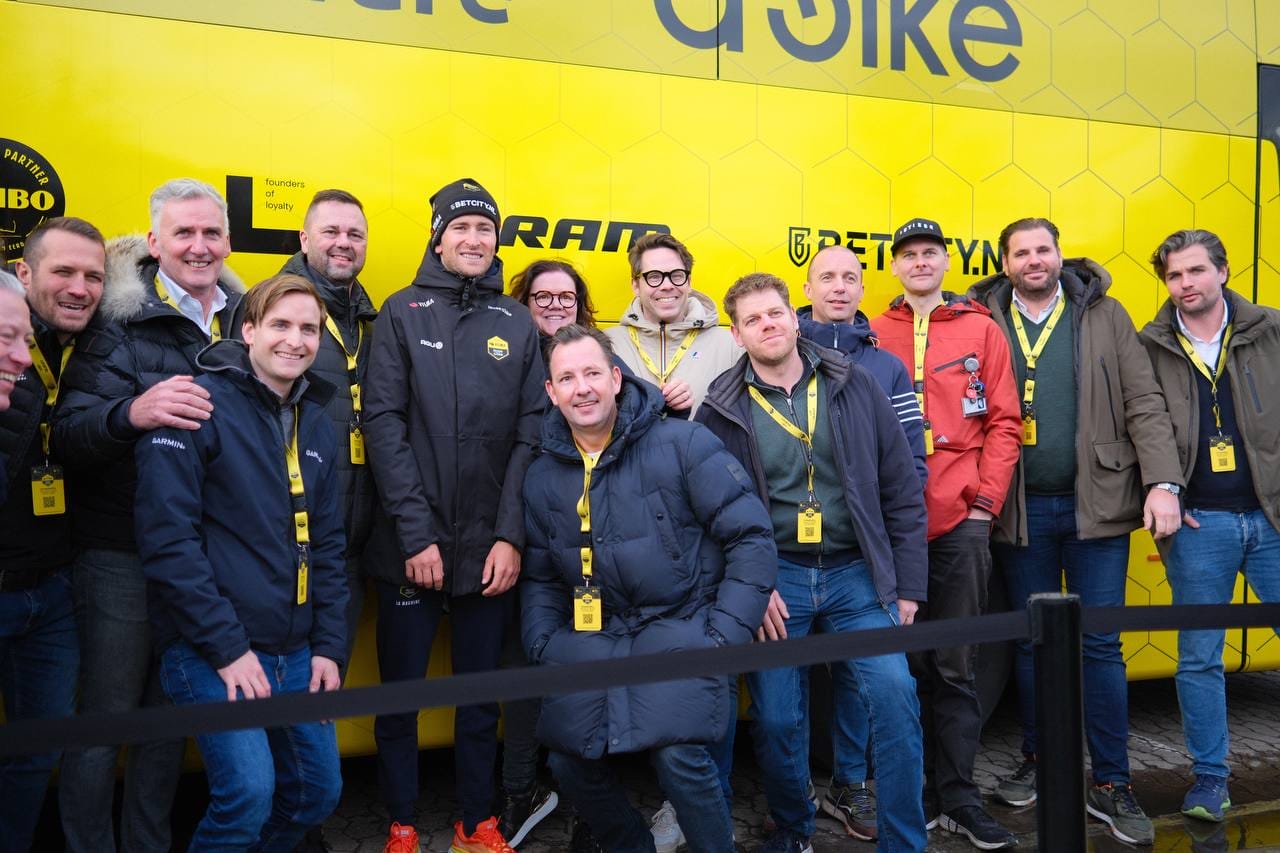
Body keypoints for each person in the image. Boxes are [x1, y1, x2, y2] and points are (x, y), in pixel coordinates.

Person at [696, 273, 927, 853]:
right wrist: (750, 586)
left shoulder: (855, 383)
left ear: (794, 318)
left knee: (895, 696)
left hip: (858, 574)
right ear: (737, 334)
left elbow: (902, 486)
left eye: (775, 313)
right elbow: (706, 517)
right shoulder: (719, 408)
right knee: (777, 720)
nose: (767, 325)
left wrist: (907, 586)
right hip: (777, 579)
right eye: (752, 319)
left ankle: (905, 843)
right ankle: (794, 828)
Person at [522, 323, 775, 853]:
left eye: (593, 373)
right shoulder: (543, 474)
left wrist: (722, 635)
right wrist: (543, 642)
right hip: (592, 638)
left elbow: (750, 537)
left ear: (616, 379)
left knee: (679, 755)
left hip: (680, 627)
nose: (582, 388)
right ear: (551, 392)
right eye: (567, 378)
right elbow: (542, 575)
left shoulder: (682, 443)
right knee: (567, 760)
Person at [971, 217, 1183, 846]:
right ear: (1004, 263)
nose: (1034, 260)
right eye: (1021, 253)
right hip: (1021, 509)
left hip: (1099, 506)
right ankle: (1040, 762)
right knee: (1034, 645)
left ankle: (1112, 782)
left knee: (1100, 646)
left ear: (1060, 255)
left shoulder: (1105, 314)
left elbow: (1143, 401)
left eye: (1044, 249)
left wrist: (1163, 482)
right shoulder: (984, 319)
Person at [53, 178, 244, 853]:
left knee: (167, 726)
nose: (199, 246)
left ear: (228, 241)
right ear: (155, 242)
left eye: (211, 232)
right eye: (183, 233)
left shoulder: (245, 320)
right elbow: (67, 436)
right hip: (121, 556)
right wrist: (130, 413)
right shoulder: (117, 320)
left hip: (203, 558)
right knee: (105, 723)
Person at [363, 178, 545, 853]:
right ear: (437, 239)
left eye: (485, 229)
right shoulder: (400, 311)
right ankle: (402, 822)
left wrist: (510, 537)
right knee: (399, 698)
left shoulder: (516, 321)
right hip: (409, 548)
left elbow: (531, 434)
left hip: (489, 551)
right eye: (460, 228)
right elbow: (382, 426)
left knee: (479, 698)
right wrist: (415, 536)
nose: (474, 239)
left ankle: (476, 822)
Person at [135, 273, 347, 850]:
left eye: (309, 329)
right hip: (213, 648)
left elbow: (329, 544)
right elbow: (169, 543)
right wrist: (227, 648)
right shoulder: (196, 405)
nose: (295, 341)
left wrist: (329, 647)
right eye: (280, 325)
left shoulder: (316, 419)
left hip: (297, 649)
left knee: (317, 793)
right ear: (248, 330)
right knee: (248, 796)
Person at [871, 217, 1022, 850]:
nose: (920, 262)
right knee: (901, 671)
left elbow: (1005, 422)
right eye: (909, 254)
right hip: (891, 528)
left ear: (945, 261)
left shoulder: (981, 329)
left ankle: (958, 796)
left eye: (930, 252)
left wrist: (985, 504)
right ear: (895, 266)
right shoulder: (873, 331)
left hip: (960, 521)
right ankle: (911, 796)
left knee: (956, 667)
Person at [1138, 229, 1280, 824]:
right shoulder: (1150, 344)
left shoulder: (1270, 330)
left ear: (1222, 271)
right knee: (1199, 658)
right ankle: (1210, 781)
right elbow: (1139, 423)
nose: (1185, 284)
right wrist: (1163, 488)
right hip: (1200, 525)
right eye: (1174, 275)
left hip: (1272, 518)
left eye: (1196, 271)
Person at [797, 243, 927, 842]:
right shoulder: (782, 356)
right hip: (790, 558)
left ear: (861, 289)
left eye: (850, 277)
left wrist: (897, 556)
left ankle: (850, 784)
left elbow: (911, 465)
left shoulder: (886, 368)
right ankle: (793, 793)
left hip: (859, 557)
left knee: (863, 677)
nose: (839, 287)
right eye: (827, 277)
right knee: (784, 685)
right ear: (807, 289)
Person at [1, 224, 97, 853]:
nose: (79, 288)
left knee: (36, 754)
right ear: (25, 273)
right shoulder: (14, 353)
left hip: (53, 591)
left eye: (93, 276)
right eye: (64, 271)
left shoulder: (95, 347)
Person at [605, 232, 741, 417]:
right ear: (636, 285)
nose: (667, 285)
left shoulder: (731, 346)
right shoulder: (607, 345)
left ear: (689, 282)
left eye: (676, 276)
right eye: (654, 277)